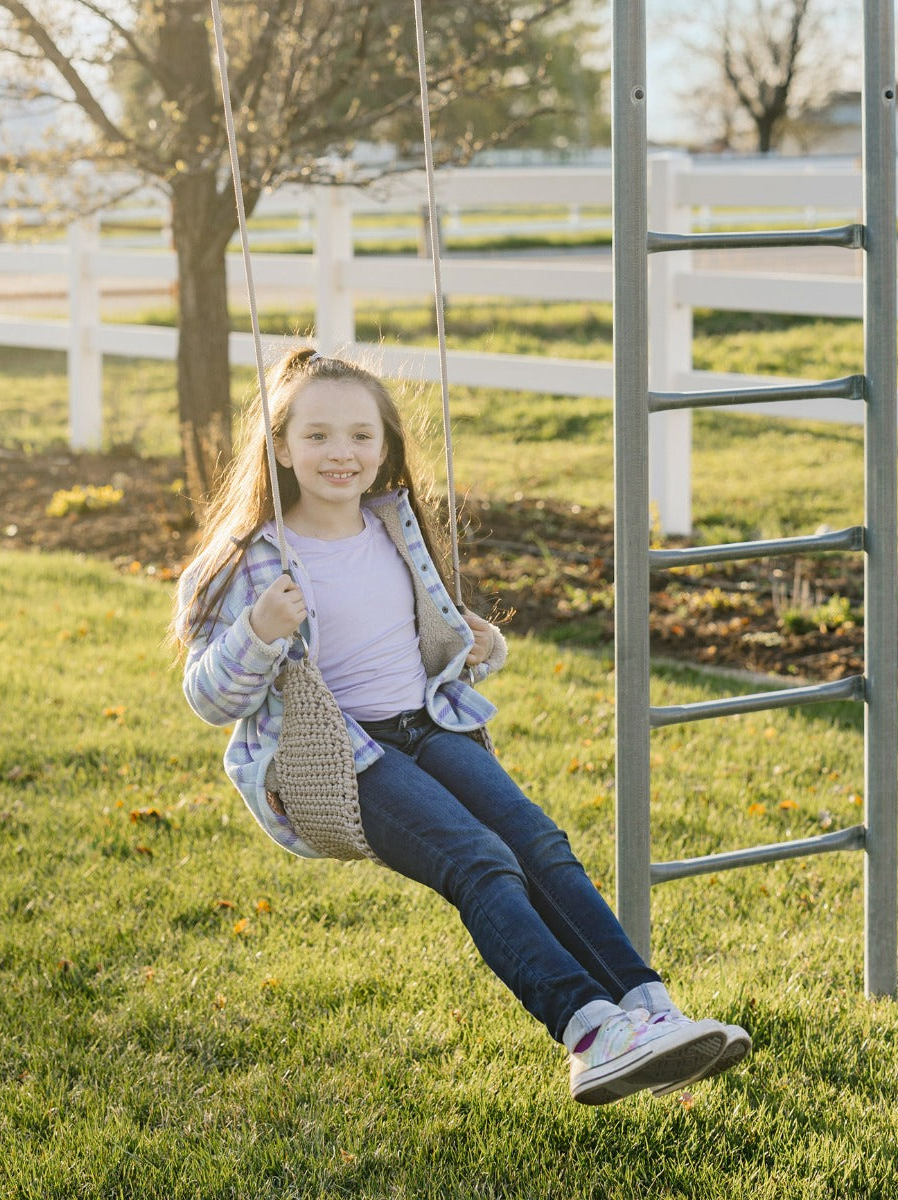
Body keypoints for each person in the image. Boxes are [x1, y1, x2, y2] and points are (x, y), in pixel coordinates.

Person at [173, 348, 750, 1105]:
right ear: (279, 446)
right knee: (479, 859)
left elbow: (423, 645)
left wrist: (482, 647)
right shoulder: (250, 561)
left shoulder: (394, 528)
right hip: (340, 757)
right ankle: (589, 1032)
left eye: (359, 435)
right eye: (316, 437)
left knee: (540, 843)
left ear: (384, 448)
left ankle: (647, 1007)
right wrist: (256, 629)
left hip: (429, 728)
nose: (340, 454)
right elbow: (208, 696)